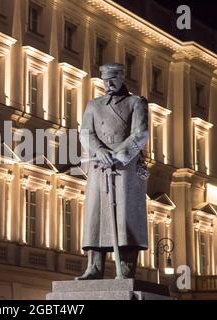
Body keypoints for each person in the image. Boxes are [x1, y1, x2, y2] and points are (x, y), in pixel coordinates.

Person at [76, 63, 149, 280]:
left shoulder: (136, 102)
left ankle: (125, 269)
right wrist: (99, 151)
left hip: (125, 168)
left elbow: (140, 132)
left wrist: (116, 155)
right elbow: (85, 133)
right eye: (105, 80)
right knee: (96, 215)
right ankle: (94, 267)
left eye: (113, 79)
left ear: (122, 77)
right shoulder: (93, 105)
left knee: (125, 216)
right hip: (99, 166)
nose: (108, 84)